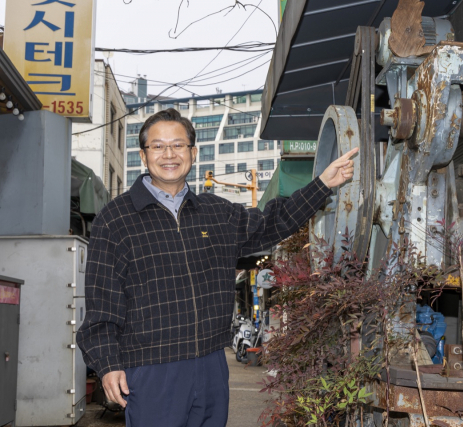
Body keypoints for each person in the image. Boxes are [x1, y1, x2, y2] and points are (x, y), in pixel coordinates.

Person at [77, 108, 358, 427]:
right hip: (151, 367)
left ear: (193, 153)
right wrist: (107, 364)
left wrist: (321, 183)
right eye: (158, 146)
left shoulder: (217, 213)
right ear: (144, 155)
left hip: (211, 364)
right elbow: (102, 306)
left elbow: (273, 222)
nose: (169, 154)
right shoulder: (115, 220)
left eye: (178, 145)